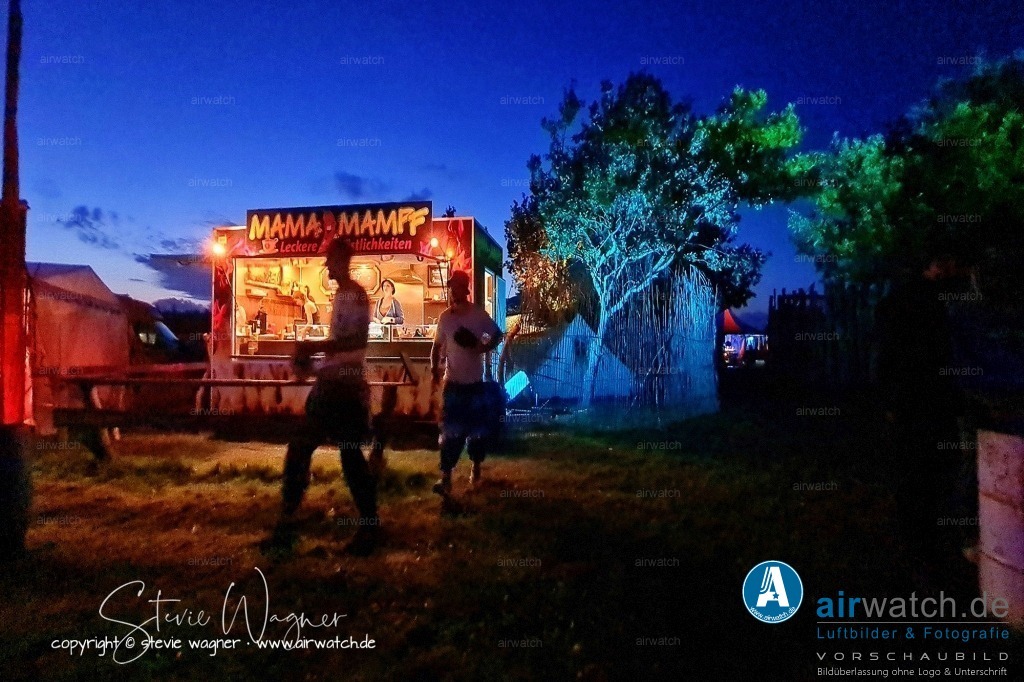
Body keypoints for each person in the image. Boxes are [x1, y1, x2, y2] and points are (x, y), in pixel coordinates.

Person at [269, 238, 379, 556]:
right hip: (333, 382)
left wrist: (312, 349)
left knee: (346, 454)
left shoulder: (354, 295)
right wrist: (315, 361)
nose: (328, 266)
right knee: (307, 446)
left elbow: (356, 341)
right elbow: (341, 343)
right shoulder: (343, 295)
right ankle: (289, 516)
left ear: (343, 261)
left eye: (331, 260)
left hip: (344, 385)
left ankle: (368, 526)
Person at [876, 255, 965, 580]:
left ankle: (919, 540)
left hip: (912, 399)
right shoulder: (936, 303)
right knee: (931, 469)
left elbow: (885, 353)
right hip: (929, 397)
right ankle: (929, 543)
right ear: (934, 265)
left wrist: (889, 398)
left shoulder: (896, 302)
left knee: (913, 469)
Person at [429, 270, 504, 496]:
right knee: (450, 432)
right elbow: (436, 346)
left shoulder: (477, 315)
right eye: (451, 287)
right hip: (452, 384)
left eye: (457, 287)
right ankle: (446, 479)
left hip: (473, 384)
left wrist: (481, 347)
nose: (453, 291)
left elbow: (497, 335)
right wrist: (434, 368)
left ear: (465, 289)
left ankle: (476, 468)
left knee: (476, 433)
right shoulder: (445, 317)